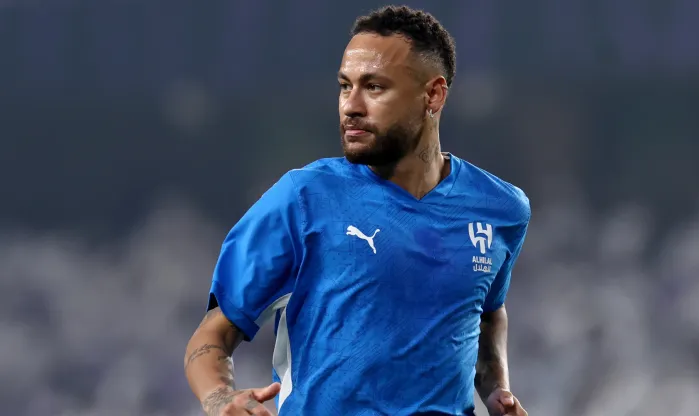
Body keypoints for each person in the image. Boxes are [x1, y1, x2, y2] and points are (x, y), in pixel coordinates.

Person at [184, 5, 530, 416]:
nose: (351, 106)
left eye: (375, 87)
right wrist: (220, 398)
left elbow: (488, 312)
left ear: (433, 95)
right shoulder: (303, 198)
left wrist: (496, 390)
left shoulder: (501, 208)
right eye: (345, 86)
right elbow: (213, 335)